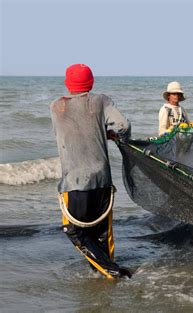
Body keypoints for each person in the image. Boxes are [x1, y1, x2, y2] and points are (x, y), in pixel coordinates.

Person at [50, 64, 132, 278]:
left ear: (68, 83)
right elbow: (123, 125)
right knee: (103, 235)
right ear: (91, 82)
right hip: (102, 180)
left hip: (74, 182)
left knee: (74, 231)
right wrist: (111, 134)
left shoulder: (56, 107)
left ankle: (110, 272)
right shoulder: (101, 100)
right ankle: (107, 273)